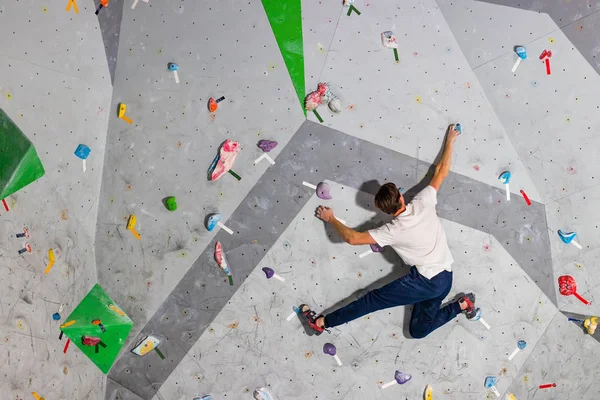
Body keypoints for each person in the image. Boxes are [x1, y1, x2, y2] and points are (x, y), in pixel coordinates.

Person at [300, 124, 480, 338]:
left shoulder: (392, 230)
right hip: (446, 278)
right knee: (418, 331)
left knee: (372, 300)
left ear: (384, 210)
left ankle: (321, 322)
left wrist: (331, 219)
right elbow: (441, 171)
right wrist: (450, 141)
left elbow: (352, 238)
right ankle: (461, 305)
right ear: (401, 197)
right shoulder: (424, 201)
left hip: (426, 282)